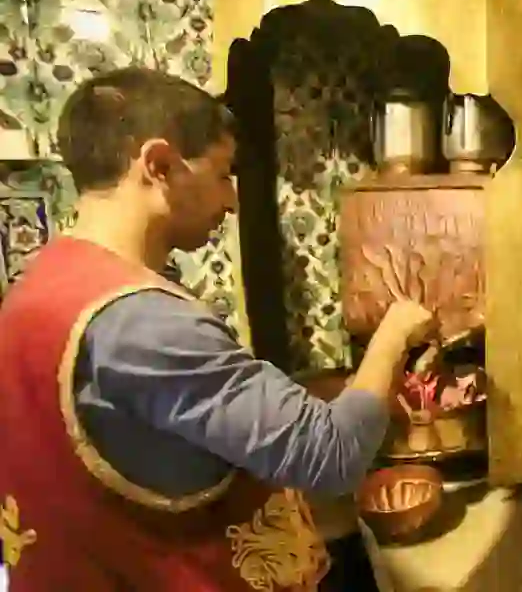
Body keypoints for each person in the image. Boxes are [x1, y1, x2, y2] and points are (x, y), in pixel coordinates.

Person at [0, 67, 435, 591]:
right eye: (223, 173)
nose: (230, 200)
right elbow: (333, 457)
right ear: (159, 165)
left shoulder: (41, 283)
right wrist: (394, 332)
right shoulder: (144, 323)